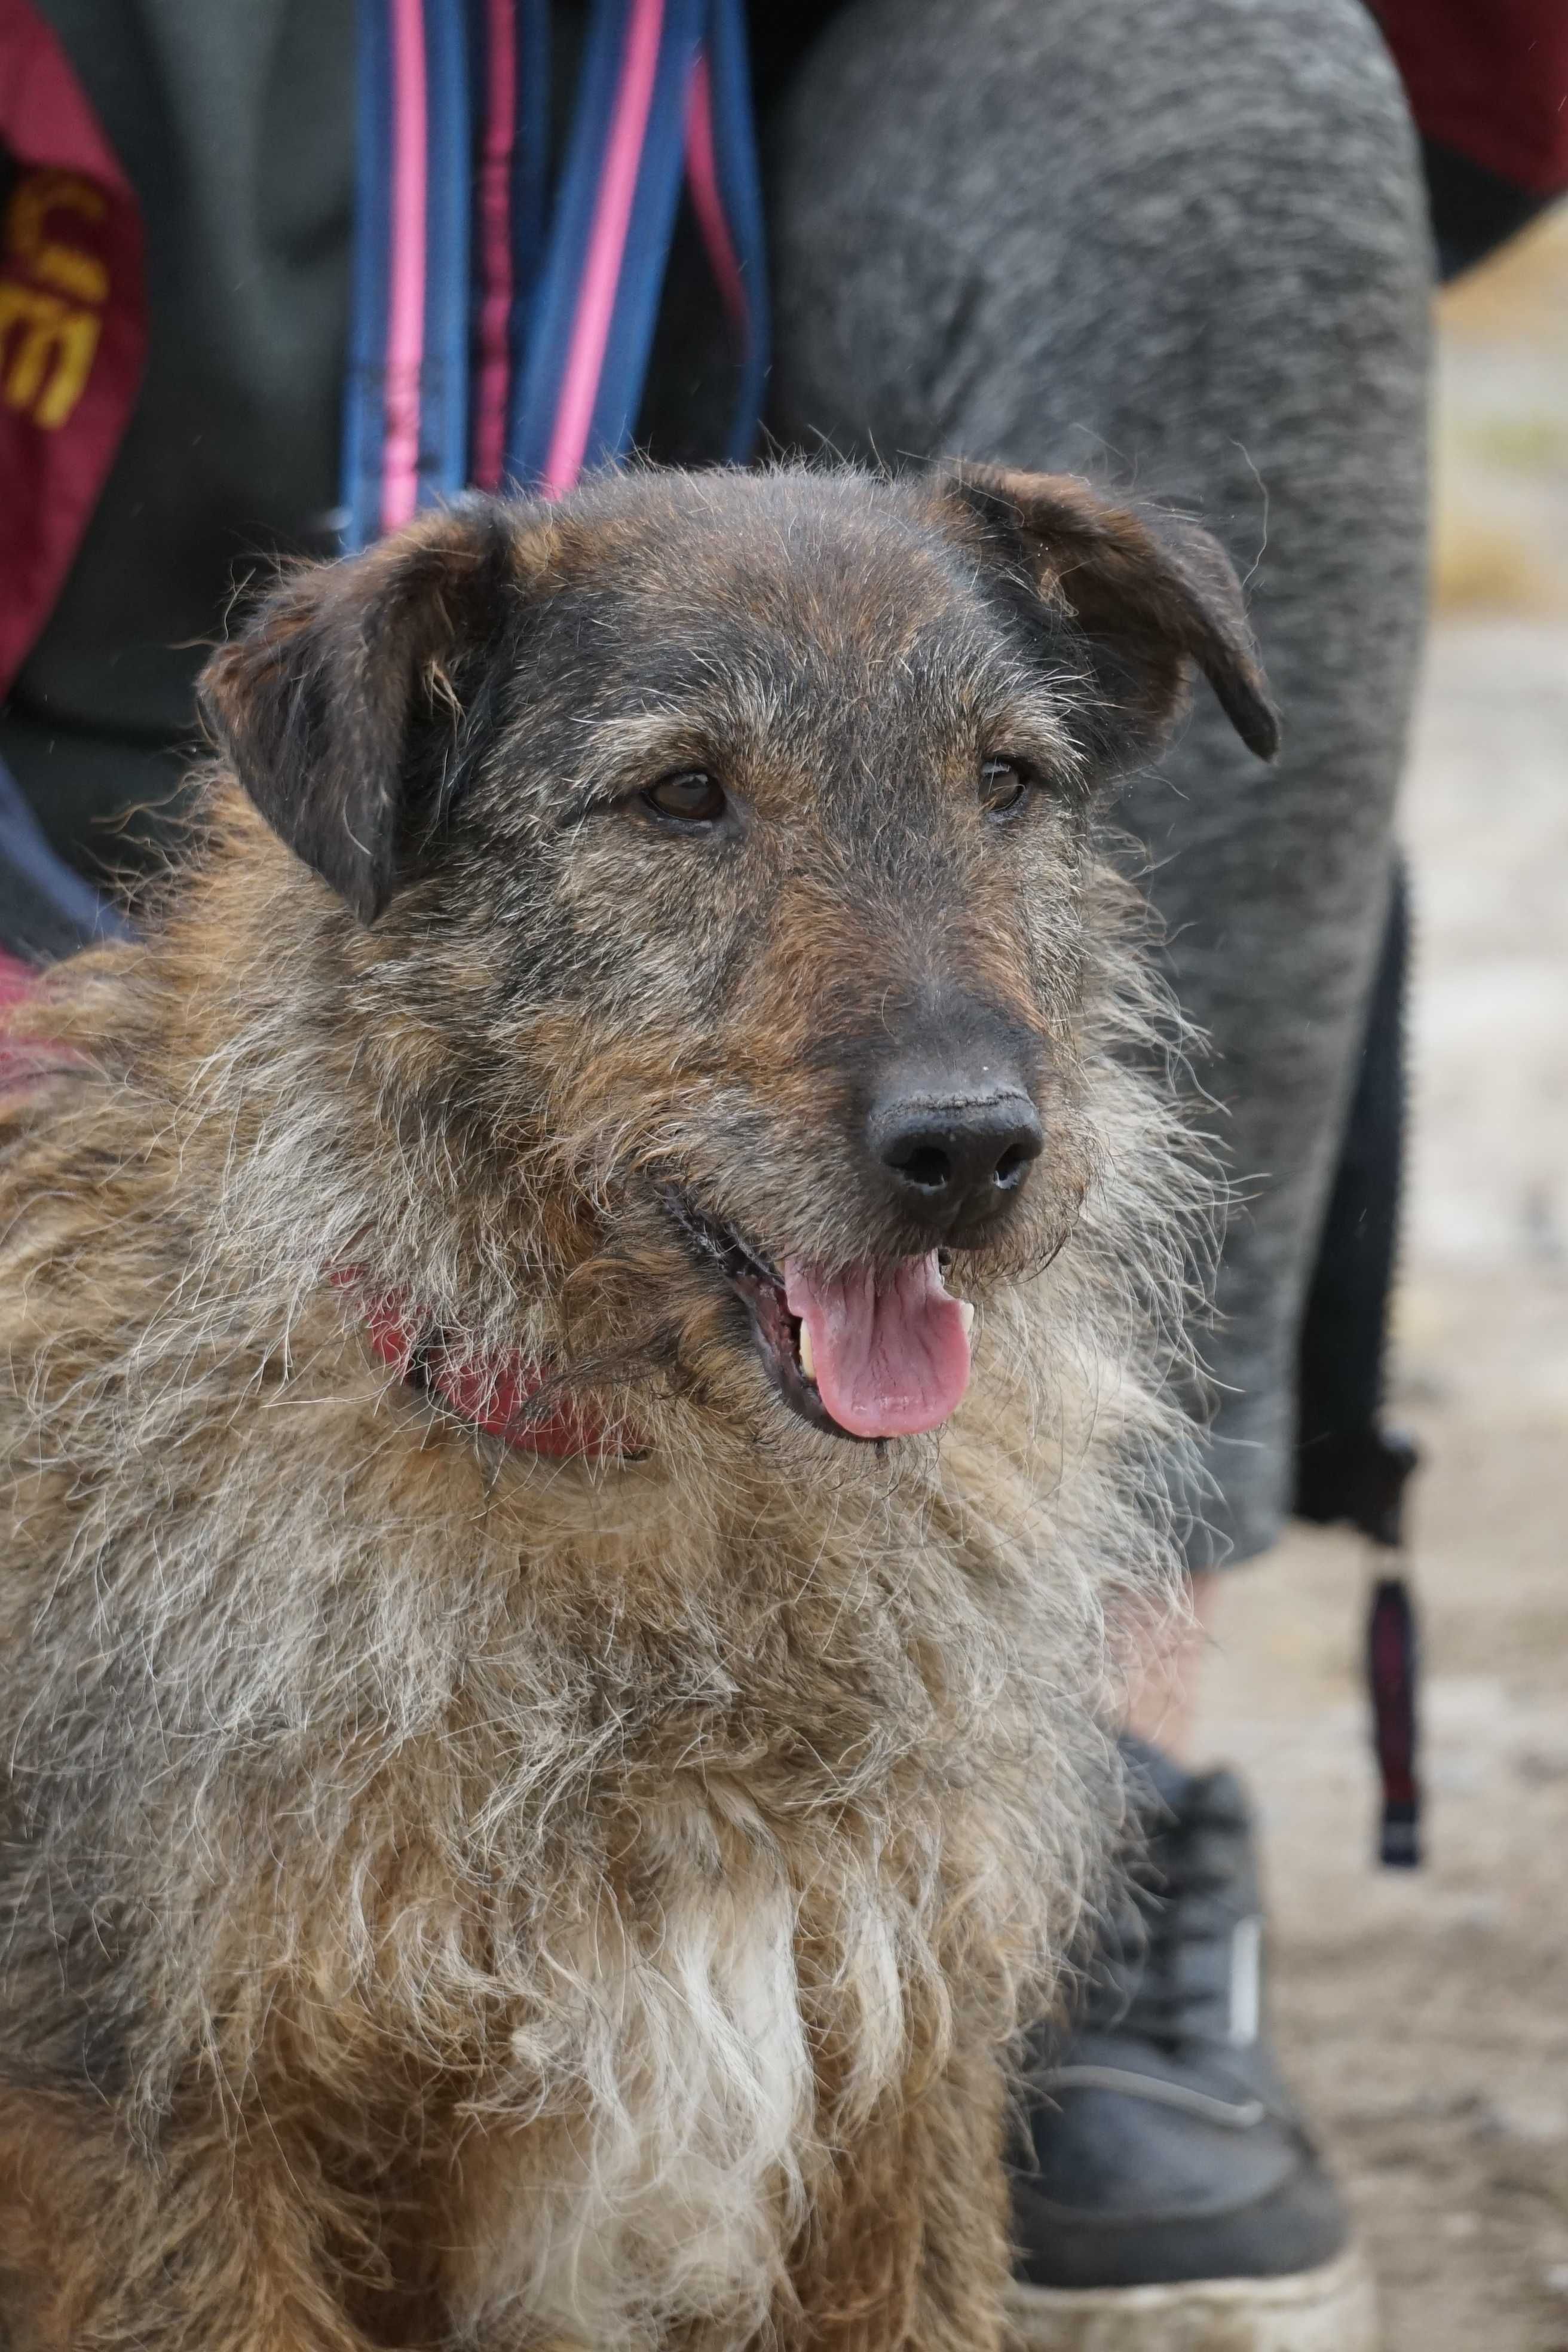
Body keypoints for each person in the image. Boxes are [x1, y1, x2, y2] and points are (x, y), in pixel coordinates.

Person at [2, 4, 1561, 2347]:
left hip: (763, 175)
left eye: (1009, 789)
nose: (947, 1083)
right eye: (679, 811)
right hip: (111, 706)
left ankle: (1115, 1901)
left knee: (1223, 78)